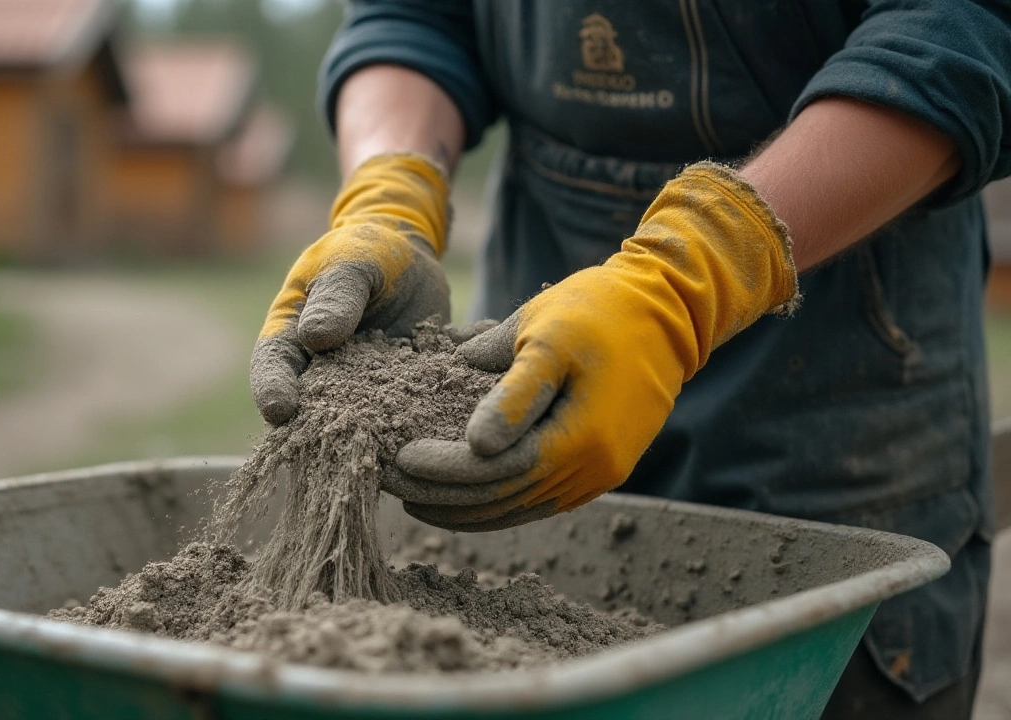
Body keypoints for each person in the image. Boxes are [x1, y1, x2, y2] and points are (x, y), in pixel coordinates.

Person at [248, 2, 1010, 716]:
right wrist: (391, 197)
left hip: (839, 380)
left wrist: (688, 280)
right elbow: (416, 17)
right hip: (531, 353)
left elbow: (960, 28)